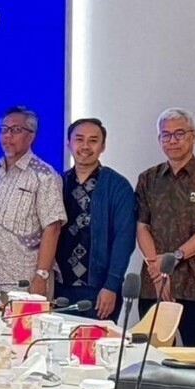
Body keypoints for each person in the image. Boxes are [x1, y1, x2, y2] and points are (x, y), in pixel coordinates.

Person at [135, 108, 195, 345]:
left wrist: (173, 258)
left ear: (193, 136)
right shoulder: (148, 178)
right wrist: (158, 273)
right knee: (152, 356)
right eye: (166, 135)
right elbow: (141, 226)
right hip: (154, 284)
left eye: (179, 134)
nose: (172, 141)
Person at [0, 106, 65, 296]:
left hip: (25, 283)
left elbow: (53, 228)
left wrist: (41, 276)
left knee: (25, 327)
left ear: (31, 136)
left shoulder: (44, 175)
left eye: (16, 130)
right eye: (4, 129)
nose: (8, 136)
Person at [55, 118, 137, 321]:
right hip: (59, 286)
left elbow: (124, 240)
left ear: (103, 146)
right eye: (79, 139)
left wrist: (111, 285)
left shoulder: (117, 186)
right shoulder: (57, 183)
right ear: (68, 143)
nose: (85, 146)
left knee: (95, 347)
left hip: (99, 290)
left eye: (93, 140)